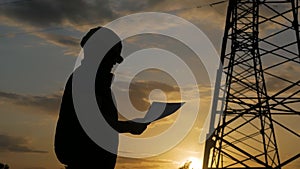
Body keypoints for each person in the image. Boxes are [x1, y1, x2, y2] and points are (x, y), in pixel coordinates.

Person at [54, 26, 149, 169]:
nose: (115, 63)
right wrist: (130, 126)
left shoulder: (95, 83)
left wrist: (129, 125)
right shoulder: (84, 80)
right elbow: (96, 123)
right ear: (98, 53)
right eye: (112, 56)